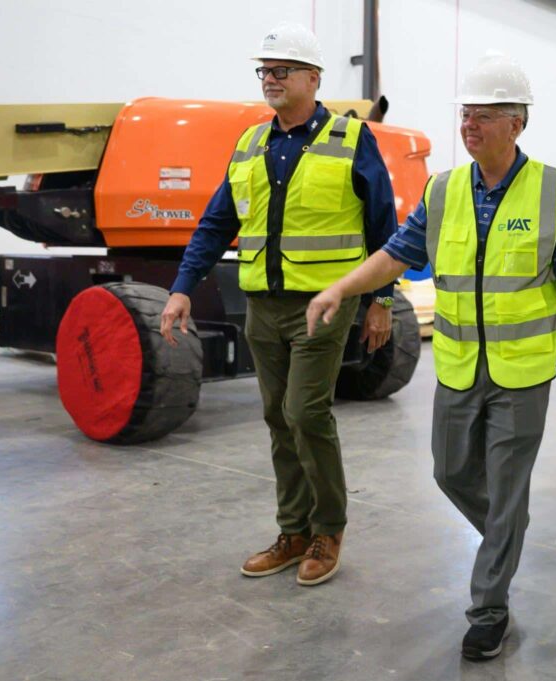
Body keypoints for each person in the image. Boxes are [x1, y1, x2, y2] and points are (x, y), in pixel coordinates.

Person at [306, 52, 556, 661]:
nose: (469, 124)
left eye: (484, 115)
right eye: (466, 113)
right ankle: (506, 532)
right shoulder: (442, 190)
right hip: (459, 368)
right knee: (450, 473)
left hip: (522, 374)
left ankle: (488, 609)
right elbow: (395, 254)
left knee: (508, 486)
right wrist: (341, 288)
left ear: (516, 123)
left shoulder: (554, 190)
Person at [159, 21, 399, 587]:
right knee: (276, 417)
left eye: (281, 70)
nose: (270, 79)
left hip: (324, 304)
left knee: (305, 412)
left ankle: (328, 529)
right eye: (264, 71)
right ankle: (292, 531)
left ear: (313, 78)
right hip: (262, 306)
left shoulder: (351, 138)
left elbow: (383, 224)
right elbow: (217, 221)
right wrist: (182, 286)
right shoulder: (250, 143)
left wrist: (382, 299)